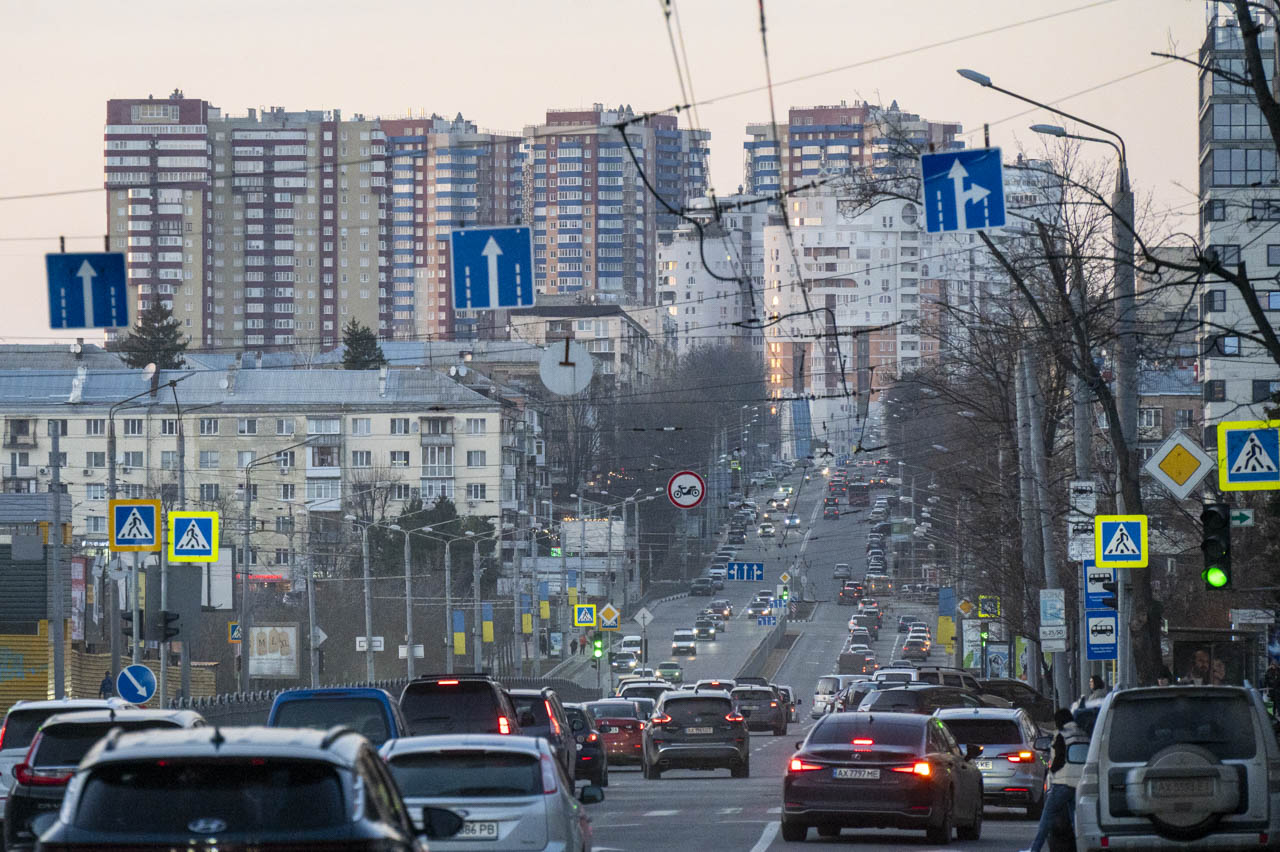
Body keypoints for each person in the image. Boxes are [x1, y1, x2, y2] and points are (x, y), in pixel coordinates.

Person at [1021, 708, 1090, 852]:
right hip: (1080, 784)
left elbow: (1059, 758)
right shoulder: (1084, 735)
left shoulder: (1061, 735)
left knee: (1046, 818)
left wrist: (1051, 771)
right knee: (1075, 820)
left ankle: (1034, 849)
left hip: (1062, 783)